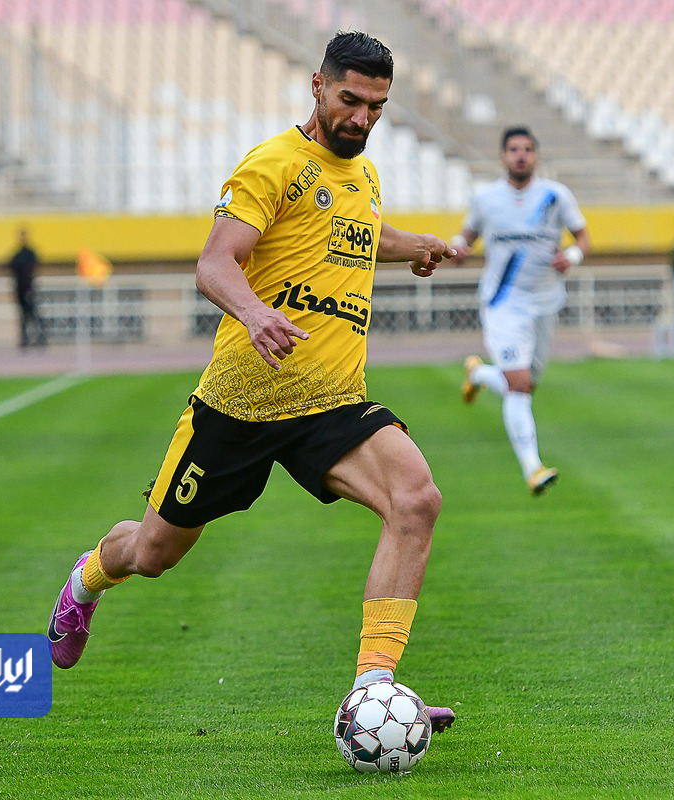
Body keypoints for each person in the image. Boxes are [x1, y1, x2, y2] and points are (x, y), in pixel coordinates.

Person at [45, 32, 456, 733]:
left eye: (376, 107)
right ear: (318, 85)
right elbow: (215, 263)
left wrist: (412, 244)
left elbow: (354, 230)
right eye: (350, 100)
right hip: (241, 403)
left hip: (331, 403)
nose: (361, 118)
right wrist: (257, 313)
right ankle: (85, 581)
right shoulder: (272, 165)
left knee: (416, 499)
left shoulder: (363, 174)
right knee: (153, 553)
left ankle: (375, 691)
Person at [450, 126, 589, 496]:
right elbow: (466, 235)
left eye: (527, 149)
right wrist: (457, 247)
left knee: (527, 384)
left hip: (545, 303)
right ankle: (533, 468)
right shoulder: (486, 198)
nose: (521, 155)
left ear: (536, 156)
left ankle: (480, 374)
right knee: (518, 385)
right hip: (503, 305)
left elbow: (583, 237)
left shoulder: (555, 196)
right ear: (503, 157)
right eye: (514, 149)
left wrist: (572, 256)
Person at [6, 227, 46, 348]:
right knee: (24, 316)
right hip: (21, 288)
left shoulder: (29, 254)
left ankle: (39, 338)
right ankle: (25, 339)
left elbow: (34, 268)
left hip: (28, 288)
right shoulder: (17, 254)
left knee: (33, 315)